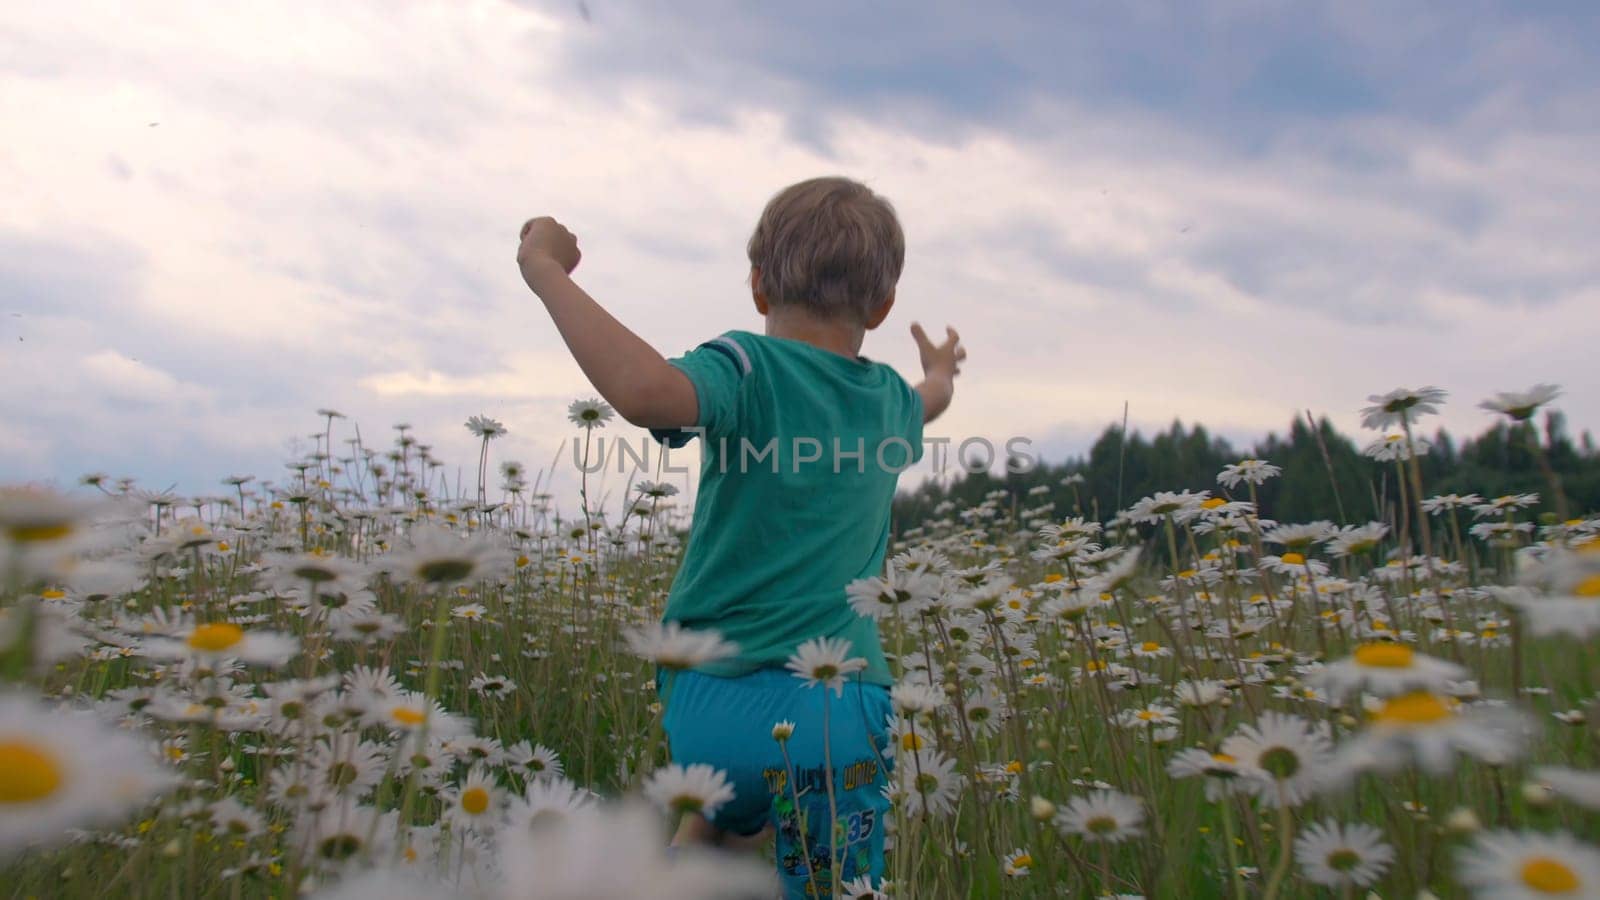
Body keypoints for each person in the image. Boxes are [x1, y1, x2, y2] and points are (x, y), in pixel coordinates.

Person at [517, 175, 964, 896]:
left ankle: (697, 845)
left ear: (758, 286)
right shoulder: (888, 399)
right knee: (832, 885)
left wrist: (544, 270)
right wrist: (941, 369)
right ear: (881, 308)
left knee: (714, 843)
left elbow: (644, 392)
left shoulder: (745, 369)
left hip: (712, 705)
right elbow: (930, 399)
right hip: (839, 714)